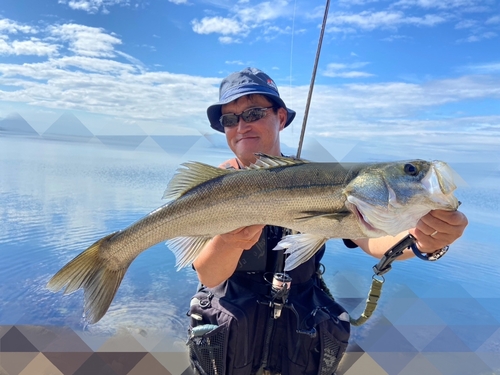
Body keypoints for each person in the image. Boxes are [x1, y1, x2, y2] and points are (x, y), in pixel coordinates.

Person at [186, 67, 468, 375]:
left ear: (280, 118)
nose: (241, 126)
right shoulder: (214, 189)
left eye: (253, 112)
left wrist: (424, 242)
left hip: (297, 345)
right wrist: (229, 240)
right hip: (232, 348)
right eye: (230, 119)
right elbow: (209, 274)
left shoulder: (323, 180)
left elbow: (372, 239)